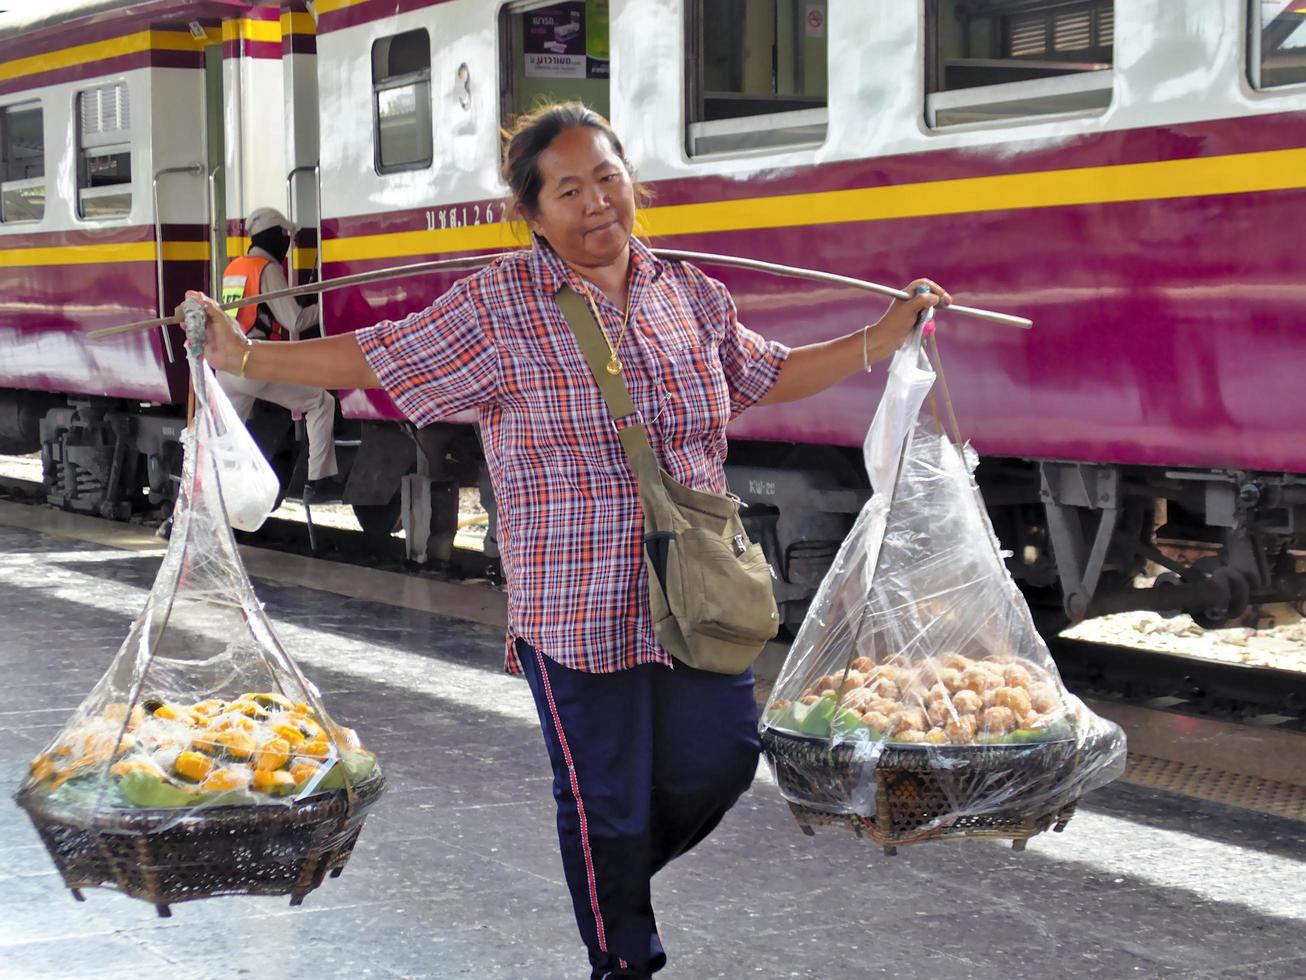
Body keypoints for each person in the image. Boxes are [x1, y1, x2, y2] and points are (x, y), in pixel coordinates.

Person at [192, 102, 949, 979]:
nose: (597, 204)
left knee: (723, 760)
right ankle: (623, 953)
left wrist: (882, 336)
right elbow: (378, 356)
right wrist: (246, 356)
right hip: (574, 600)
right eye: (569, 190)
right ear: (534, 211)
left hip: (694, 589)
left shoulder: (689, 292)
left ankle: (606, 871)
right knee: (606, 800)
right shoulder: (499, 304)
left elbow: (765, 372)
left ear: (633, 181)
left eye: (608, 179)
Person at [218, 206, 342, 501]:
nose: (288, 243)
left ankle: (204, 501)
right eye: (286, 235)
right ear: (274, 236)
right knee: (320, 401)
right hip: (253, 363)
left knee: (224, 439)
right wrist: (331, 304)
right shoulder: (267, 268)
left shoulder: (235, 267)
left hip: (227, 366)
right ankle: (320, 481)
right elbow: (295, 321)